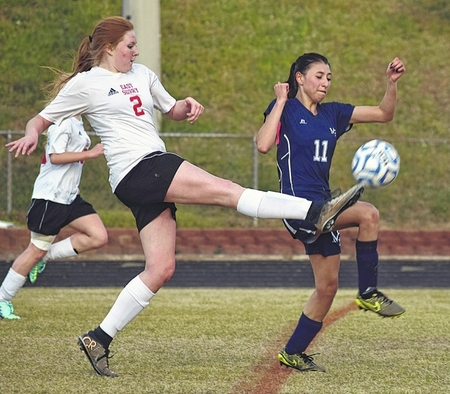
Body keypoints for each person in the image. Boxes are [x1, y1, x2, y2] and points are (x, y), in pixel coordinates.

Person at [6, 17, 363, 377]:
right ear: (110, 47)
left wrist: (186, 106)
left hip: (143, 178)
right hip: (141, 168)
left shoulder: (142, 74)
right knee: (228, 192)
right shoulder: (85, 84)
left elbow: (170, 108)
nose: (136, 50)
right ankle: (314, 211)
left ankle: (99, 337)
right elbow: (40, 119)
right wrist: (31, 134)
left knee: (161, 268)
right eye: (130, 45)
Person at [256, 53, 406, 372]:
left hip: (326, 206)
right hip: (297, 206)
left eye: (328, 78)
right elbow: (264, 144)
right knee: (368, 214)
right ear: (299, 77)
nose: (325, 82)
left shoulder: (333, 113)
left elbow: (383, 114)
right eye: (319, 76)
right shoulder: (284, 108)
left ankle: (293, 352)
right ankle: (368, 292)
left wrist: (391, 84)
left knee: (328, 287)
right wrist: (280, 101)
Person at [0, 115, 107, 320]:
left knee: (98, 236)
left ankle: (46, 256)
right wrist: (92, 153)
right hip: (50, 198)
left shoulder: (77, 121)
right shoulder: (64, 121)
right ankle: (3, 298)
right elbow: (55, 156)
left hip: (70, 197)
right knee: (34, 251)